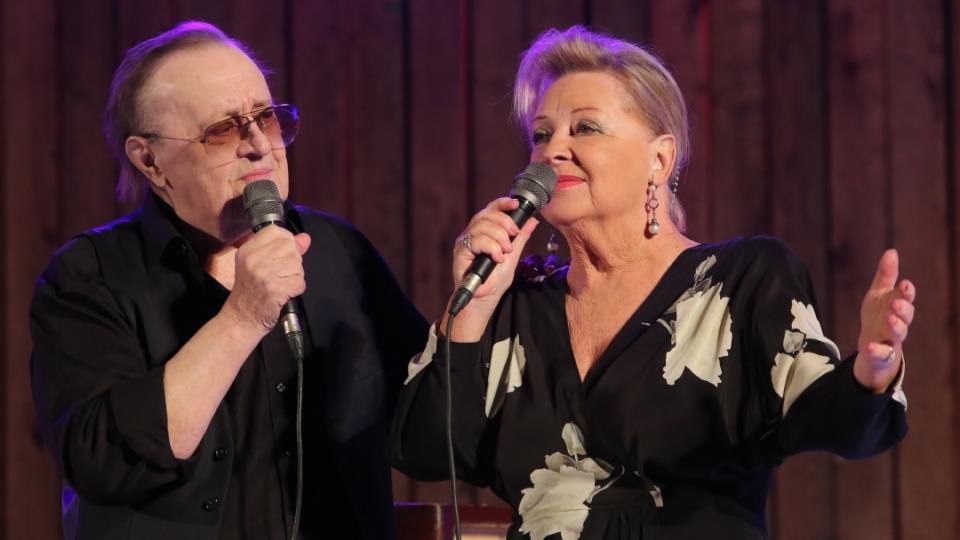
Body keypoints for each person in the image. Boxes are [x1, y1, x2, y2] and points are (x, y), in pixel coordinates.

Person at [389, 26, 914, 539]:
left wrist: (872, 370)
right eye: (542, 135)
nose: (552, 151)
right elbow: (424, 450)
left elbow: (833, 422)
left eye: (585, 128)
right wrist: (472, 310)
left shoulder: (741, 283)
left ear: (659, 160)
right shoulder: (514, 308)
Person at [30, 21, 427, 540]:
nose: (260, 145)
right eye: (223, 130)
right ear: (150, 161)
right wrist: (242, 317)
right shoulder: (87, 277)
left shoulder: (339, 252)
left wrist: (475, 310)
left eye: (266, 118)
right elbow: (101, 460)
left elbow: (428, 425)